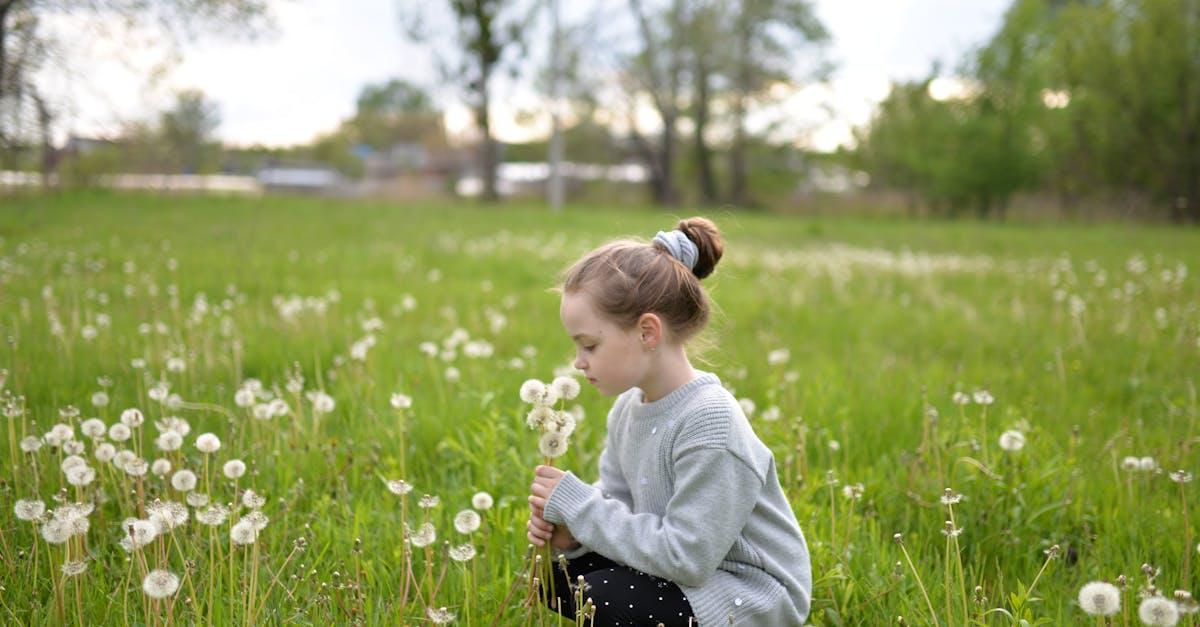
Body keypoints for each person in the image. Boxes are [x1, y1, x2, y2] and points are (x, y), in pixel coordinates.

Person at [526, 217, 812, 626]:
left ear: (647, 332)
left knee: (603, 599)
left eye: (589, 344)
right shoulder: (629, 407)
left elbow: (688, 557)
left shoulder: (710, 423)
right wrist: (573, 533)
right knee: (555, 579)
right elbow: (619, 508)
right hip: (681, 565)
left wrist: (582, 506)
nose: (579, 362)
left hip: (745, 591)